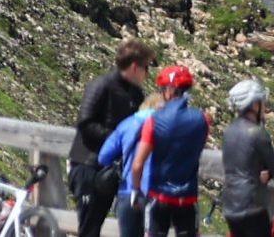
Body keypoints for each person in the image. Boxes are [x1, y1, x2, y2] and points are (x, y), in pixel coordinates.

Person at [69, 40, 155, 237]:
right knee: (89, 228)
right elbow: (85, 123)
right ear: (135, 66)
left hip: (112, 171)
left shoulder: (136, 93)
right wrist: (118, 138)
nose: (147, 73)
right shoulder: (101, 85)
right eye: (146, 67)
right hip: (87, 166)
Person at [130, 66, 208, 237]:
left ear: (168, 91)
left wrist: (135, 190)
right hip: (187, 197)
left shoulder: (154, 120)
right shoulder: (202, 120)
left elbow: (138, 163)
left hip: (159, 195)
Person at [222, 78, 274, 237]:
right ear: (254, 105)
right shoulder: (258, 133)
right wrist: (270, 172)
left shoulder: (229, 131)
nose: (264, 107)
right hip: (252, 207)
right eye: (262, 102)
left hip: (230, 206)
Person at [99, 94, 159, 237]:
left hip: (128, 190)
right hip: (156, 194)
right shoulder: (167, 128)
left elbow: (103, 156)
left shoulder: (127, 124)